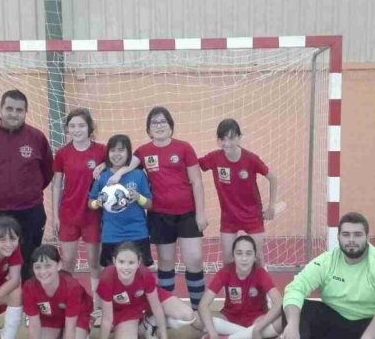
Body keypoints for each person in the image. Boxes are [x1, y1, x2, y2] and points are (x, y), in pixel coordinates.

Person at [52, 108, 137, 324]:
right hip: (69, 215)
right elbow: (56, 185)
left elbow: (133, 159)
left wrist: (106, 165)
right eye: (72, 126)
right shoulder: (62, 153)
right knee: (68, 263)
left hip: (93, 216)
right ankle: (67, 305)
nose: (77, 129)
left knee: (94, 263)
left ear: (90, 127)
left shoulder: (101, 150)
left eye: (81, 125)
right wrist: (54, 215)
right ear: (67, 129)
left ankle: (98, 309)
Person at [0, 89, 54, 281]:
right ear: (0, 109)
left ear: (25, 112)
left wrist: (27, 191)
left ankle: (24, 306)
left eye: (19, 110)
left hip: (30, 211)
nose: (14, 114)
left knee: (27, 260)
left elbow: (47, 172)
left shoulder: (37, 138)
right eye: (9, 108)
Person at [134, 107, 208, 310]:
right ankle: (167, 310)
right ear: (148, 129)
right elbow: (122, 165)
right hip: (159, 216)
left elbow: (197, 182)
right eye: (154, 123)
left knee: (194, 259)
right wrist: (101, 168)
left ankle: (198, 310)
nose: (159, 126)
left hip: (188, 215)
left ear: (171, 126)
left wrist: (201, 213)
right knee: (166, 262)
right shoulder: (142, 152)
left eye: (163, 122)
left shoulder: (184, 148)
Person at [83, 242, 195, 339]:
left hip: (147, 300)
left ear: (138, 262)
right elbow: (107, 319)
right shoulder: (107, 279)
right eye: (121, 262)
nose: (126, 267)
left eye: (131, 262)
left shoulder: (145, 274)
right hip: (125, 310)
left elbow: (156, 307)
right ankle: (145, 326)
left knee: (188, 315)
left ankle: (151, 322)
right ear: (114, 261)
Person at [199, 119, 278, 264]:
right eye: (222, 139)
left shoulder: (251, 159)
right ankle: (231, 287)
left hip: (252, 216)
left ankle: (260, 285)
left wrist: (271, 207)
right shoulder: (213, 158)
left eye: (231, 138)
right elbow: (193, 165)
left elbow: (273, 178)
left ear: (239, 138)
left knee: (257, 257)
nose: (227, 143)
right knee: (228, 259)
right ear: (218, 140)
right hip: (229, 217)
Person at [193, 235, 284, 339]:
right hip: (229, 318)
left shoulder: (260, 273)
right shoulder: (225, 272)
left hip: (256, 320)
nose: (244, 258)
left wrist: (257, 328)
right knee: (195, 317)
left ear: (255, 256)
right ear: (233, 255)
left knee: (283, 320)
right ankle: (248, 338)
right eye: (239, 253)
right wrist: (212, 333)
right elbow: (203, 305)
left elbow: (279, 302)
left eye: (249, 253)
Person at [20, 245, 92, 339]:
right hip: (50, 317)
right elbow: (34, 325)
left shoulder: (72, 287)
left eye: (48, 266)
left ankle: (86, 328)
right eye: (38, 267)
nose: (43, 271)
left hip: (77, 316)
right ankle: (58, 332)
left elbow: (71, 328)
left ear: (59, 265)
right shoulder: (29, 287)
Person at [89, 134, 154, 272]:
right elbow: (90, 202)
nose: (116, 154)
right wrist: (97, 203)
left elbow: (149, 204)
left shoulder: (138, 175)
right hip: (111, 234)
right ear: (107, 154)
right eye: (112, 150)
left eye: (121, 150)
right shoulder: (102, 176)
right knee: (111, 275)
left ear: (128, 153)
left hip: (137, 233)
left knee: (140, 274)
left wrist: (138, 197)